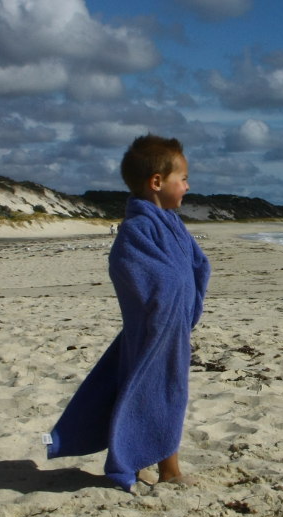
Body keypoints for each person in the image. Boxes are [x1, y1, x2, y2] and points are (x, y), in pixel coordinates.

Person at [45, 134, 210, 490]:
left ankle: (143, 463)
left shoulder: (172, 224)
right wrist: (164, 302)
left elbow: (195, 265)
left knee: (165, 393)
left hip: (172, 328)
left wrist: (188, 301)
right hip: (151, 328)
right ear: (157, 182)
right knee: (158, 394)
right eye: (182, 178)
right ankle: (167, 470)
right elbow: (130, 267)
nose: (187, 186)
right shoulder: (136, 229)